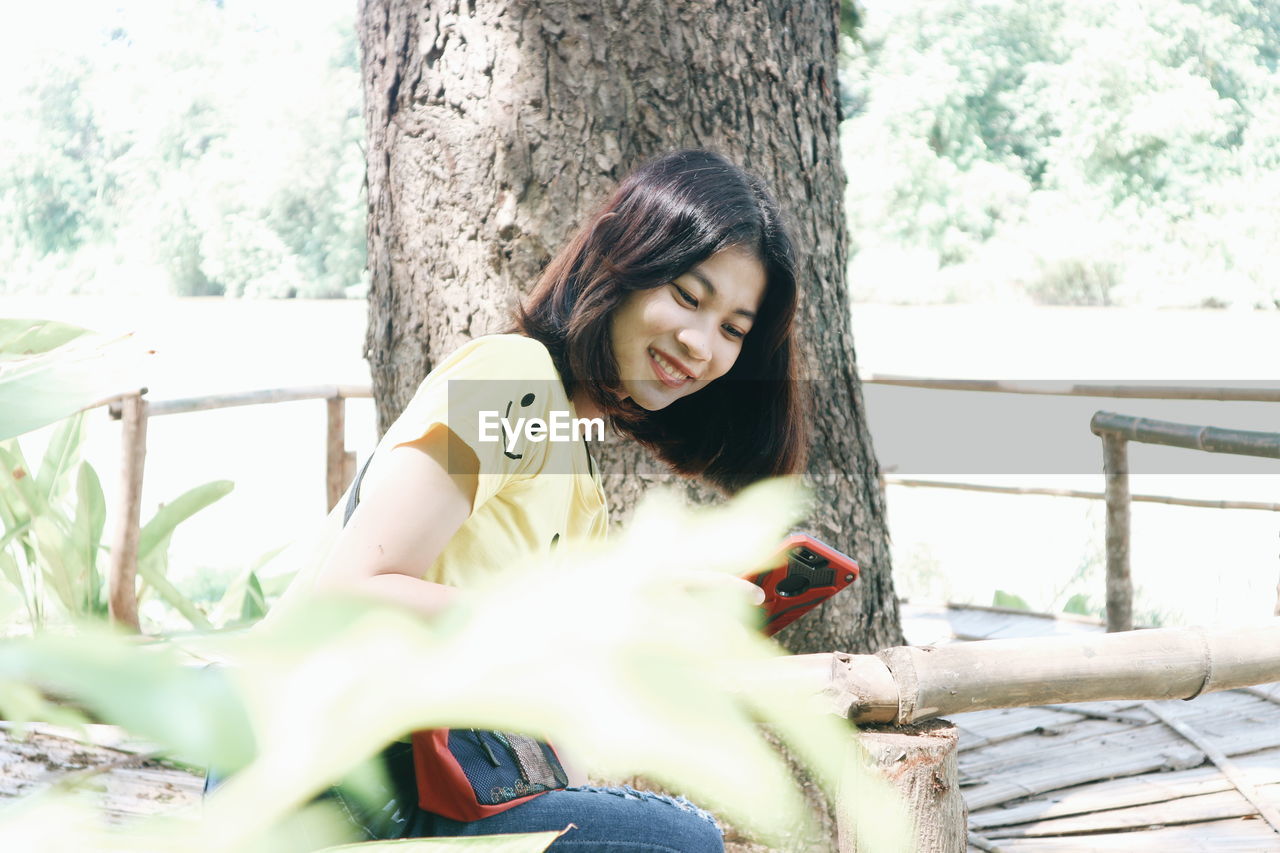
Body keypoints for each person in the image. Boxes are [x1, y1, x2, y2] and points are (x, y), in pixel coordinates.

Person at [212, 148, 807, 851]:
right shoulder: (514, 382)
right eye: (687, 295)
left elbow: (543, 699)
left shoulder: (574, 467)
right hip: (320, 772)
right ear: (623, 262)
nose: (701, 343)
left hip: (418, 782)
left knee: (657, 828)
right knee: (681, 839)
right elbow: (355, 587)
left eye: (734, 329)